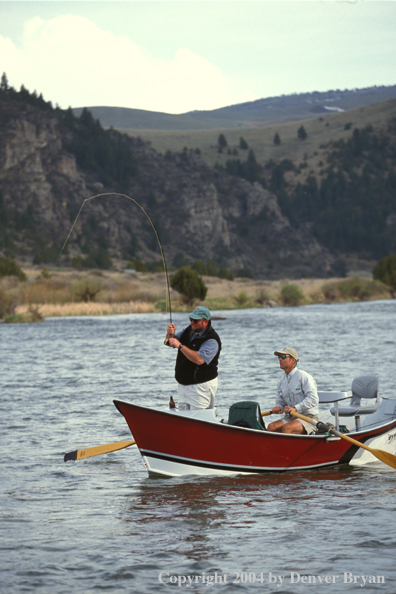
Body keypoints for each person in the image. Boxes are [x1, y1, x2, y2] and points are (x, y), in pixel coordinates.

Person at [165, 306, 221, 410]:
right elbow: (171, 342)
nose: (192, 323)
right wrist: (169, 334)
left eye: (196, 321)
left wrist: (180, 345)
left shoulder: (212, 340)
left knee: (199, 419)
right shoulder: (188, 330)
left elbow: (199, 360)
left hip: (201, 387)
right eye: (191, 319)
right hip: (183, 386)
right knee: (184, 419)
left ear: (205, 322)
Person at [267, 347, 319, 435]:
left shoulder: (304, 377)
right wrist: (278, 407)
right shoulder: (281, 382)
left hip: (309, 418)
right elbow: (280, 403)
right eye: (279, 357)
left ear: (293, 360)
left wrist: (295, 408)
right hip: (291, 417)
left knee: (287, 428)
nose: (280, 359)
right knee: (271, 427)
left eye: (283, 357)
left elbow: (313, 399)